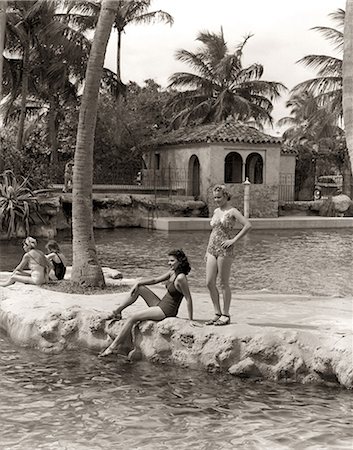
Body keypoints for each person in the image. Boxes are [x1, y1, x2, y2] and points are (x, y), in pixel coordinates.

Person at [99, 249, 194, 358]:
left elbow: (188, 298)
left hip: (166, 311)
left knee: (132, 318)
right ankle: (117, 311)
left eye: (172, 261)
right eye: (169, 260)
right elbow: (155, 280)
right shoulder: (172, 272)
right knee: (140, 288)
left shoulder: (181, 278)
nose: (169, 263)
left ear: (180, 261)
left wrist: (191, 320)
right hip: (160, 304)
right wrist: (138, 282)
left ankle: (113, 347)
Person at [205, 184, 252, 326]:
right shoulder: (215, 211)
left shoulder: (232, 211)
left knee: (223, 283)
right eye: (214, 198)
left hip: (225, 249)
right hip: (212, 248)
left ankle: (225, 314)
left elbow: (248, 225)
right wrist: (207, 250)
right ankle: (217, 312)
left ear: (225, 196)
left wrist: (234, 240)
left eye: (219, 197)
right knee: (209, 282)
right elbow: (213, 232)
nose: (217, 200)